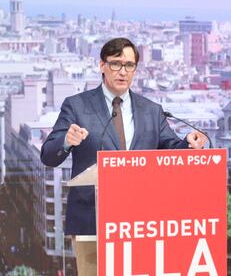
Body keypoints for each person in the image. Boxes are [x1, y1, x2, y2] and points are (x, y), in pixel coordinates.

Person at [40, 37, 207, 275]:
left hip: (141, 223)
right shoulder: (76, 106)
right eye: (116, 64)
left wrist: (189, 144)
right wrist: (67, 140)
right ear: (102, 66)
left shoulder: (152, 110)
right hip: (92, 222)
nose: (122, 71)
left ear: (135, 70)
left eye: (129, 65)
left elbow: (170, 149)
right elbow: (48, 155)